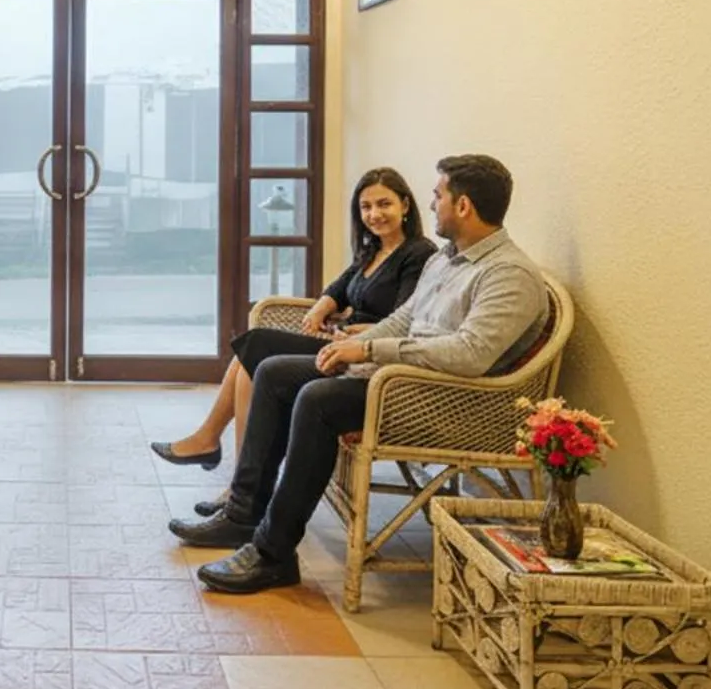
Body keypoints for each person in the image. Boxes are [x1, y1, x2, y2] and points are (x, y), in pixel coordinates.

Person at [167, 154, 549, 594]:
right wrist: (349, 350)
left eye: (438, 195)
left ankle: (273, 554)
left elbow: (469, 355)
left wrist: (368, 348)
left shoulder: (508, 274)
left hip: (439, 399)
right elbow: (406, 319)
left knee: (318, 400)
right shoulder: (448, 260)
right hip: (398, 377)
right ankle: (242, 515)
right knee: (272, 371)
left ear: (463, 205)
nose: (432, 204)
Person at [151, 169, 436, 520]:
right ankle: (234, 476)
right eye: (365, 207)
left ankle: (216, 453)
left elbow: (403, 319)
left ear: (405, 204)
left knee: (254, 347)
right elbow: (337, 288)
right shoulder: (371, 250)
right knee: (246, 363)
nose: (374, 214)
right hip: (339, 344)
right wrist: (323, 306)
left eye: (384, 204)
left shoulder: (418, 254)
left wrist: (354, 330)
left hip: (365, 356)